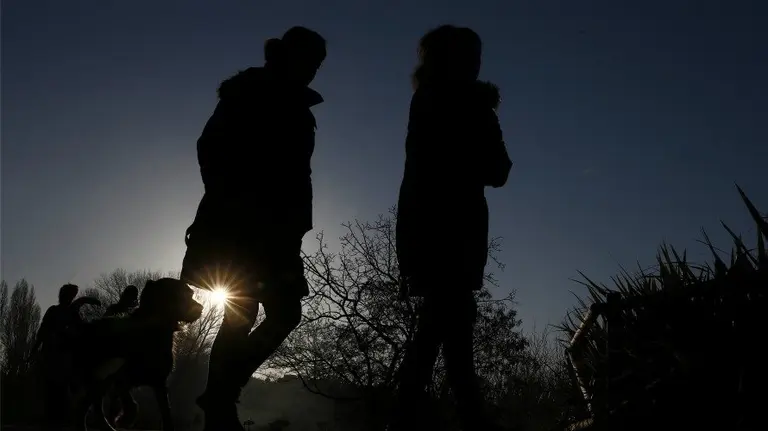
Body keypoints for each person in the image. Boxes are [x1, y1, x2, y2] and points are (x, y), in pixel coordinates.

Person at [180, 26, 327, 431]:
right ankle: (221, 405)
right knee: (244, 314)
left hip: (280, 230)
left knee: (278, 314)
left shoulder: (299, 108)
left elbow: (297, 174)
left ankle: (221, 395)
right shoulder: (249, 92)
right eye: (310, 60)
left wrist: (297, 223)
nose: (313, 70)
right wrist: (233, 199)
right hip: (241, 225)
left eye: (318, 64)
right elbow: (210, 148)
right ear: (288, 54)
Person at [391, 25, 512, 431]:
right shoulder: (456, 104)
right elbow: (495, 169)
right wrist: (483, 118)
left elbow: (493, 169)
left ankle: (432, 417)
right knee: (446, 328)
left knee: (446, 329)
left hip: (438, 232)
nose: (476, 64)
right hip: (448, 233)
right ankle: (458, 418)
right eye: (468, 56)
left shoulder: (429, 100)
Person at [35, 283, 101, 428]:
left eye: (73, 295)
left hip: (64, 355)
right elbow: (43, 330)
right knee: (54, 387)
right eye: (71, 295)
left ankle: (61, 418)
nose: (72, 298)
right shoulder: (55, 310)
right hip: (54, 354)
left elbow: (81, 328)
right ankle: (53, 418)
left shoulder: (72, 312)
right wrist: (35, 348)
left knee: (63, 387)